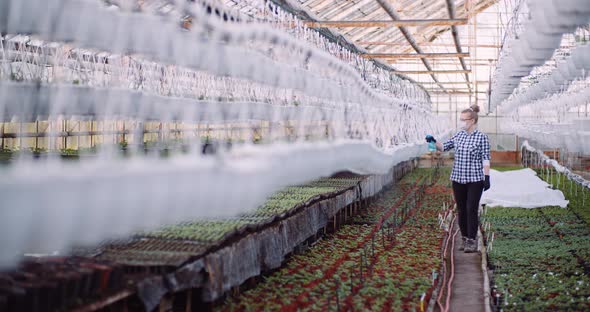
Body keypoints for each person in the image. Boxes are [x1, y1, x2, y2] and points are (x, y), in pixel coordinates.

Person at [425, 105, 491, 253]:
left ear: (472, 120)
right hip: (458, 178)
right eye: (461, 119)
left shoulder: (482, 137)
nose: (462, 122)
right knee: (461, 210)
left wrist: (487, 176)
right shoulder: (459, 135)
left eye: (464, 120)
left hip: (475, 179)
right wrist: (433, 141)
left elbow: (486, 158)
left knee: (471, 209)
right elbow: (444, 147)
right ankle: (464, 238)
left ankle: (472, 240)